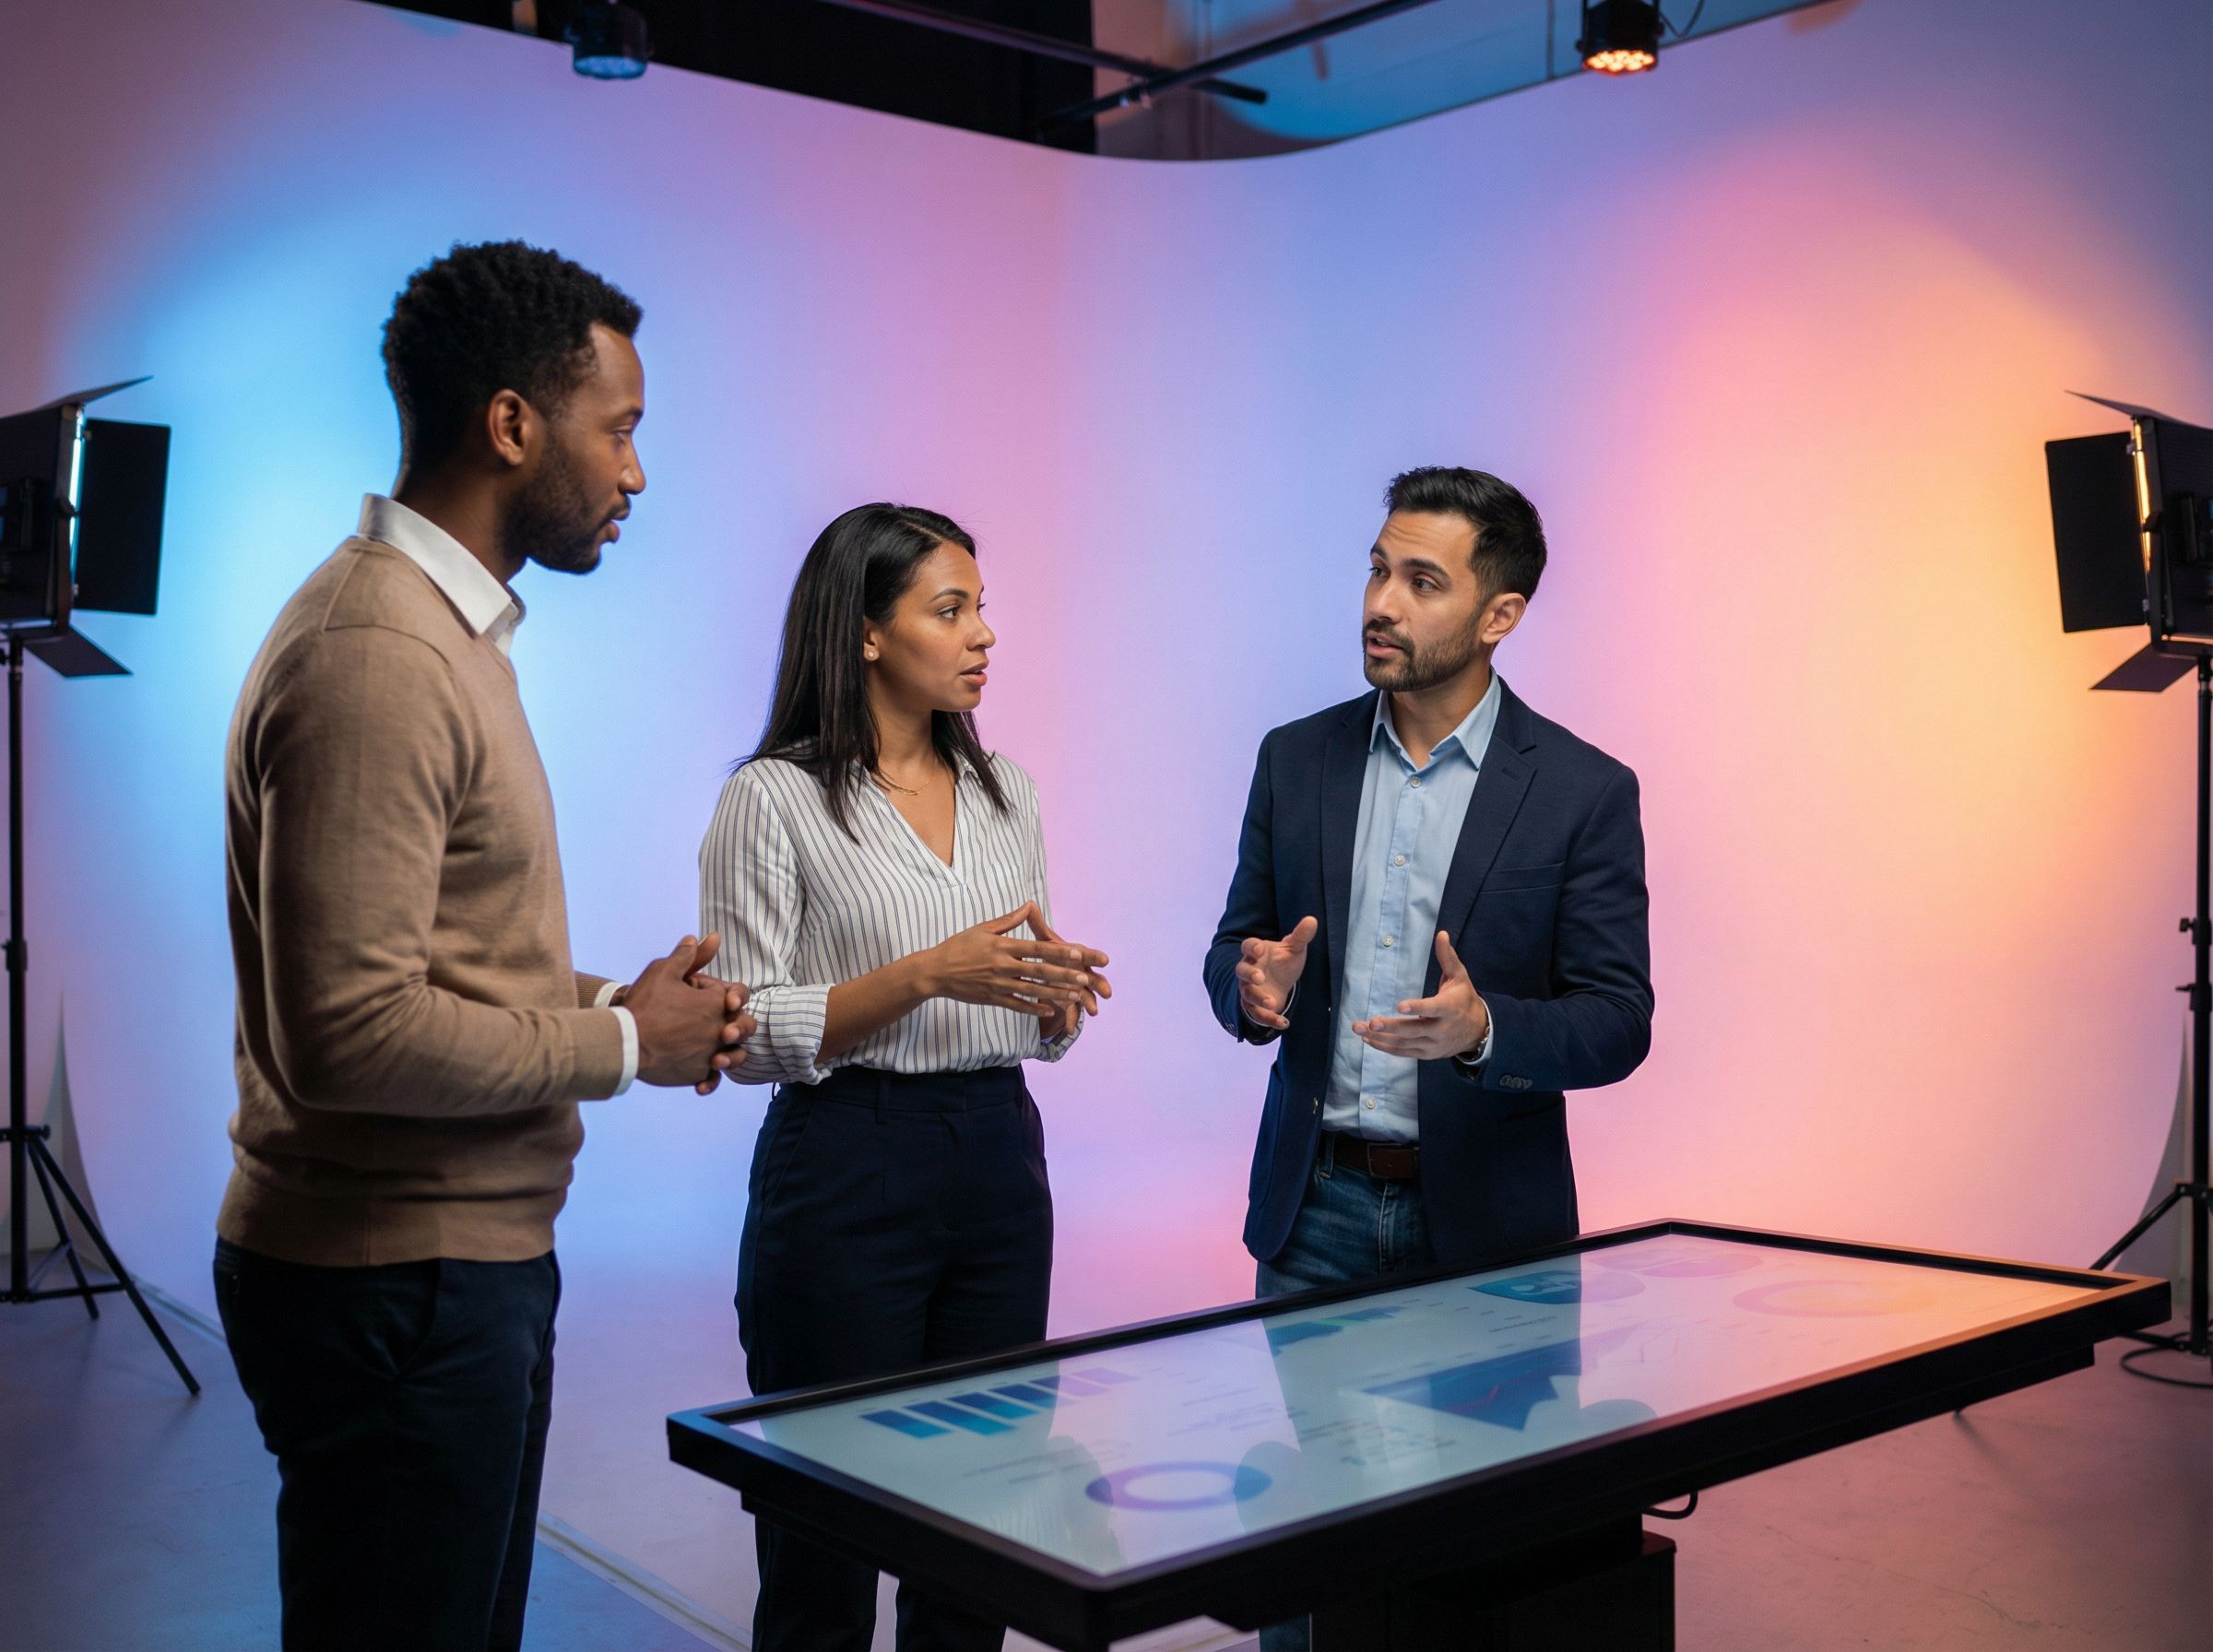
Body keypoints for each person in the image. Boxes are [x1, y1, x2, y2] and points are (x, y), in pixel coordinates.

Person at [215, 241, 754, 1652]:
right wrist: (627, 1043)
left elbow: (432, 961)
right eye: (620, 429)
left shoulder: (444, 640)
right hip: (392, 1286)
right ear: (512, 424)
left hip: (449, 1271)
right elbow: (349, 1033)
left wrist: (616, 1001)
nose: (637, 473)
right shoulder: (379, 656)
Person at [1204, 466, 1653, 1646]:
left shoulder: (1583, 792)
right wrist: (1252, 992)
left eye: (1421, 580)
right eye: (1376, 568)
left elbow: (1618, 1018)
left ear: (1499, 614)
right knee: (1306, 1542)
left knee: (1480, 1553)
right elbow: (1229, 951)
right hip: (1317, 1217)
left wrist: (1488, 1030)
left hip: (1492, 1233)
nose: (1380, 603)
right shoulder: (1293, 759)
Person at [699, 502, 1110, 1652]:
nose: (983, 634)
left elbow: (1015, 1003)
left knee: (983, 1528)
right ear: (868, 632)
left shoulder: (1004, 792)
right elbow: (740, 1031)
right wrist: (927, 972)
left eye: (982, 608)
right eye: (951, 608)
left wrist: (1053, 1003)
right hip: (844, 1163)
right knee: (827, 1538)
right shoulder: (772, 797)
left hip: (995, 1156)